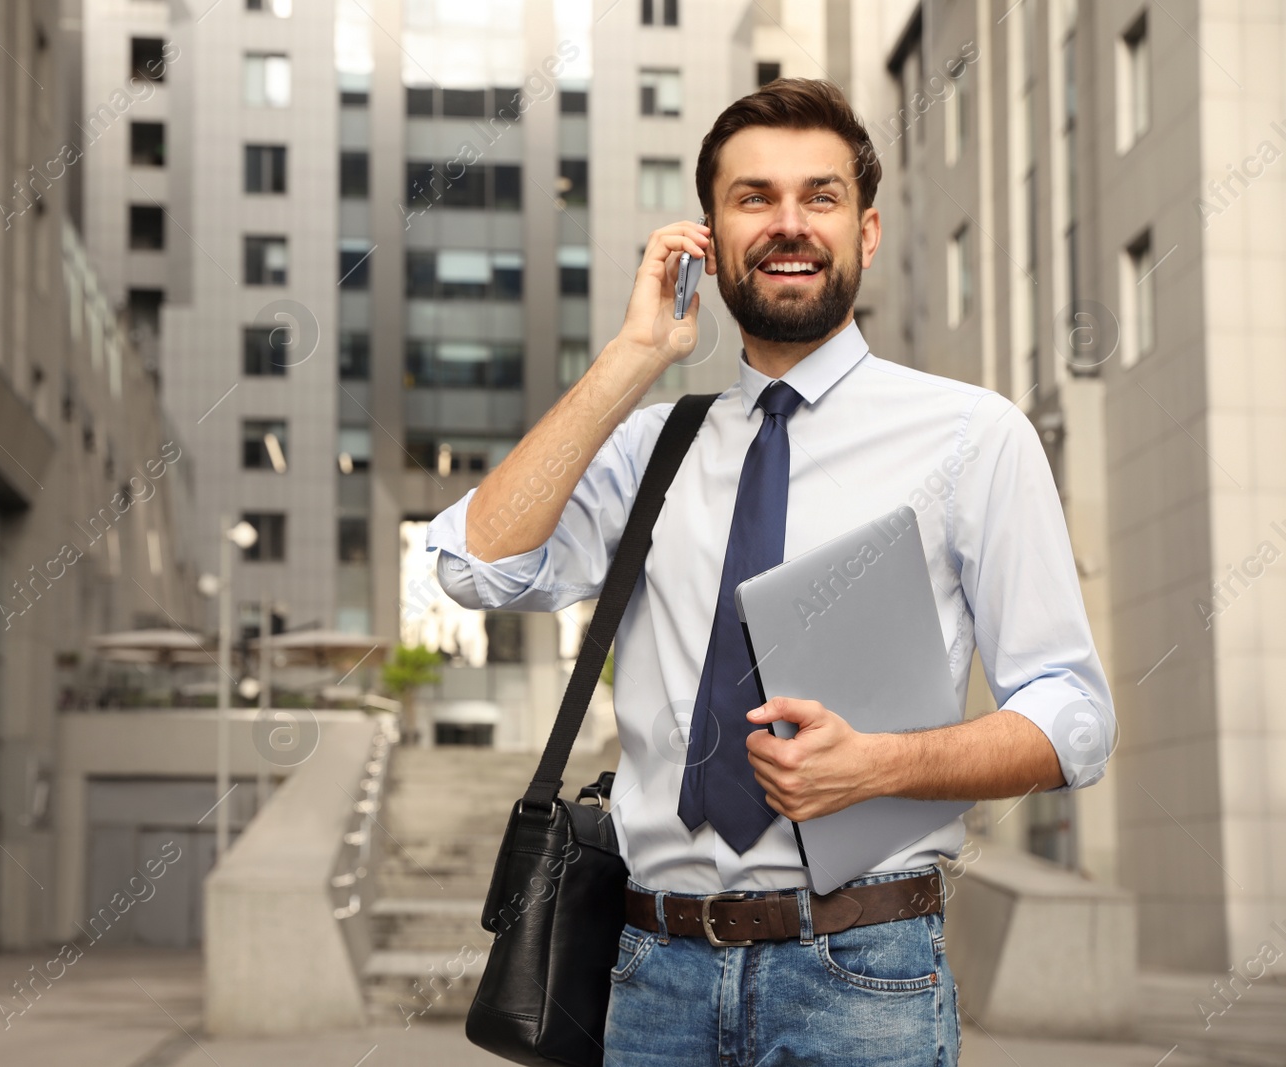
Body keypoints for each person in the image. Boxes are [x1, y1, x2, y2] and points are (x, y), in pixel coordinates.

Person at [425, 78, 1115, 1066]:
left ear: (865, 233)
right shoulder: (650, 448)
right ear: (707, 235)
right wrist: (631, 357)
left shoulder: (974, 436)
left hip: (862, 971)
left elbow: (1074, 717)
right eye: (752, 198)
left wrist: (879, 764)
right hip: (649, 975)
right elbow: (471, 566)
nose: (787, 223)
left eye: (819, 196)